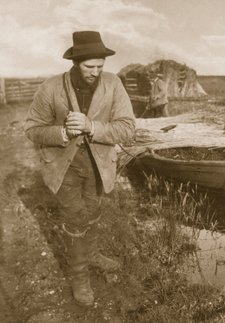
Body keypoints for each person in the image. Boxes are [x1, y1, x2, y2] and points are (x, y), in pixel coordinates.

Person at [24, 31, 135, 307]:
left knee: (93, 212)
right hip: (65, 165)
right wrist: (62, 133)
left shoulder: (113, 84)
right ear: (75, 63)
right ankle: (79, 277)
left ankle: (92, 253)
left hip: (99, 164)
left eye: (100, 66)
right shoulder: (51, 88)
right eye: (89, 67)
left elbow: (128, 127)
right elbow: (32, 129)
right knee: (74, 219)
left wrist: (92, 127)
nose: (95, 72)